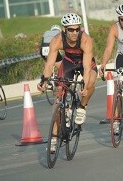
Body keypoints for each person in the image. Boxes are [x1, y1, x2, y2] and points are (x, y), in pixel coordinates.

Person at [37, 13, 98, 152]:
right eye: (71, 29)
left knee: (91, 82)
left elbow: (88, 68)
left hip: (85, 63)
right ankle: (53, 137)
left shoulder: (86, 40)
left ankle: (82, 107)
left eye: (77, 29)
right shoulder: (57, 40)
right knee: (58, 97)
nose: (75, 32)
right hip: (69, 62)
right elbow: (50, 64)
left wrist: (85, 85)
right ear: (64, 29)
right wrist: (44, 80)